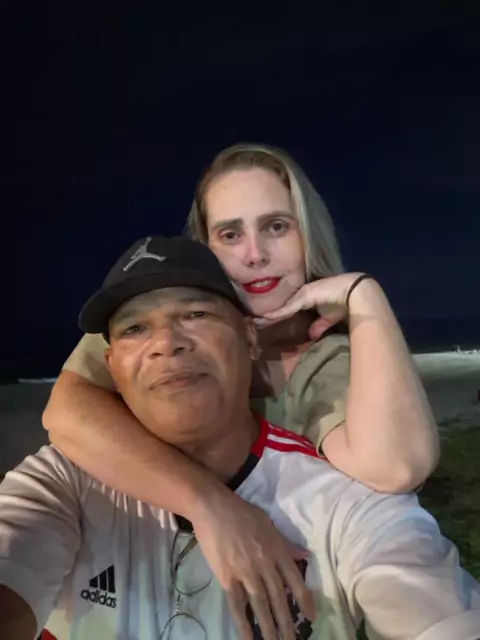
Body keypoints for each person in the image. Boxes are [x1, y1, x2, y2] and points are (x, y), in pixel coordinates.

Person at [42, 144, 440, 630]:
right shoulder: (159, 322)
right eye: (230, 234)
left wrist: (364, 295)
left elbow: (398, 468)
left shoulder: (324, 360)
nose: (255, 255)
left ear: (308, 235)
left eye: (277, 227)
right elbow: (66, 411)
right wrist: (211, 505)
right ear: (205, 248)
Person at [1, 236, 479, 640]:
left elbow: (430, 601)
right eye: (135, 328)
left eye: (195, 314)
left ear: (250, 340)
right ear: (111, 366)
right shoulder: (64, 482)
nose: (166, 342)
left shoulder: (343, 505)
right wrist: (210, 505)